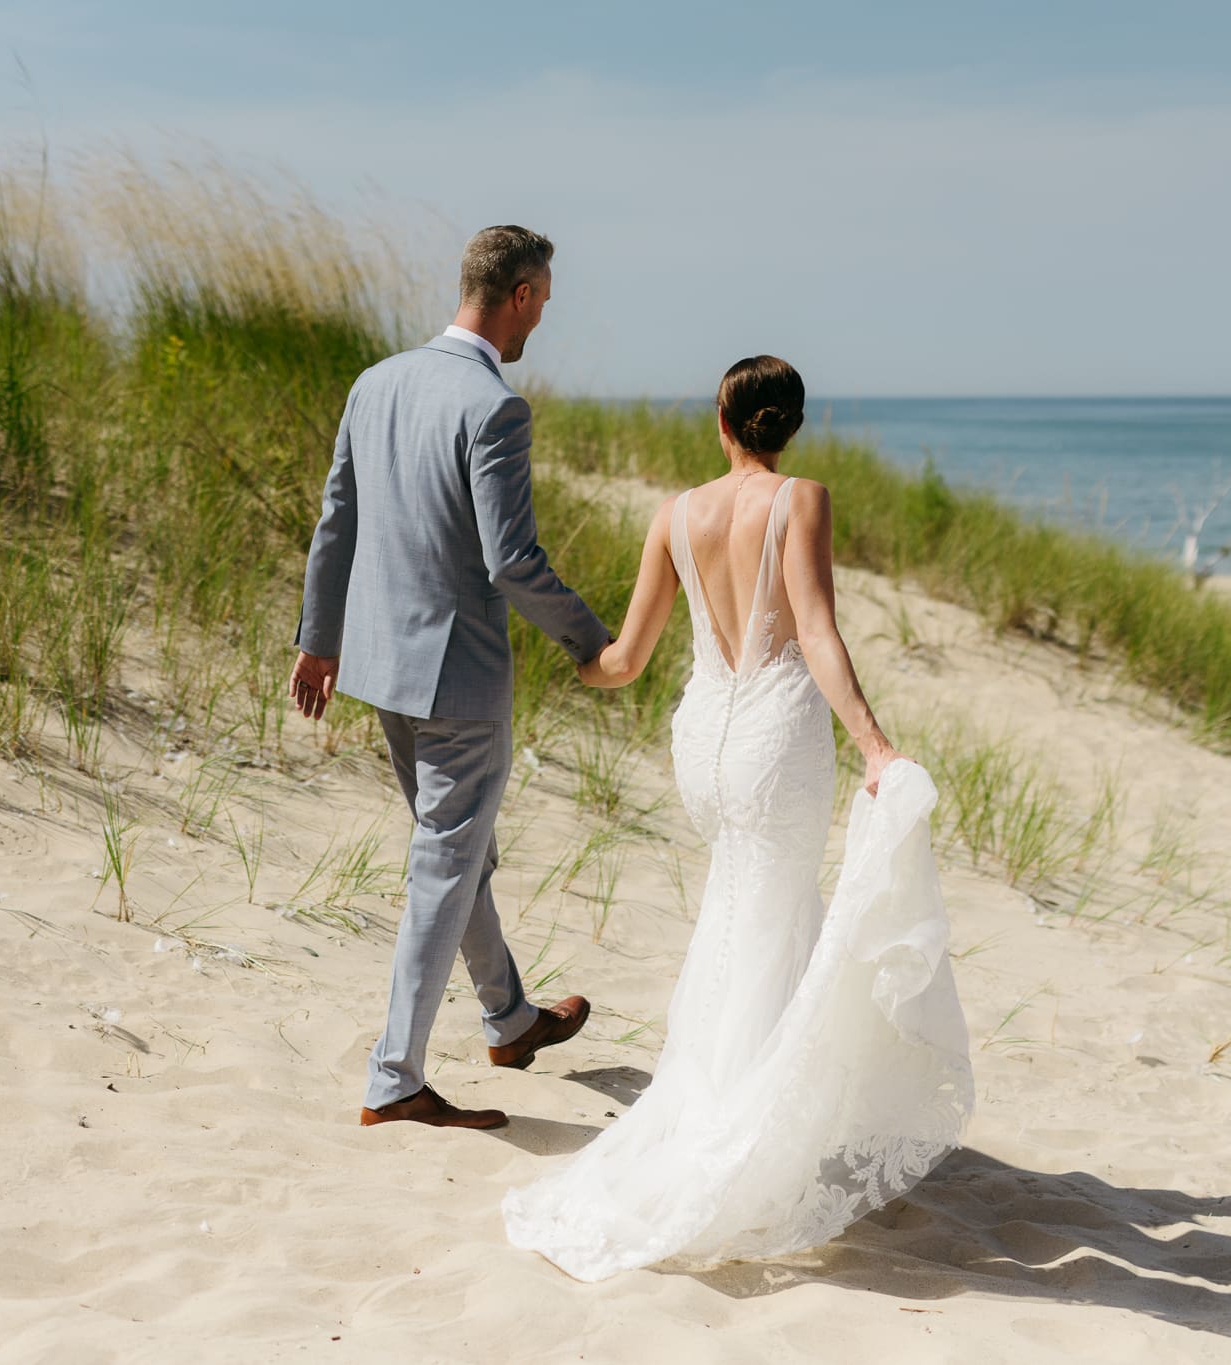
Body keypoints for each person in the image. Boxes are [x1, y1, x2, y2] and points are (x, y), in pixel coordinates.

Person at [501, 355, 975, 1280]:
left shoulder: (675, 514)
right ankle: (740, 1131)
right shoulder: (801, 499)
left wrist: (560, 647)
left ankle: (755, 1106)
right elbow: (817, 630)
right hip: (773, 738)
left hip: (705, 742)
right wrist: (876, 745)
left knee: (744, 916)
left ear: (722, 419)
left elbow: (624, 661)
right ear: (788, 425)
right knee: (765, 917)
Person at [287, 225, 605, 1131]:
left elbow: (334, 521)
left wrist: (319, 639)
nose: (542, 317)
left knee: (457, 851)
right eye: (543, 300)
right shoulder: (493, 406)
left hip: (380, 668)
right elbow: (513, 561)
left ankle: (509, 1018)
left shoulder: (375, 381)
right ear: (522, 295)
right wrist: (589, 640)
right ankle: (395, 1078)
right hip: (458, 680)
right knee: (446, 864)